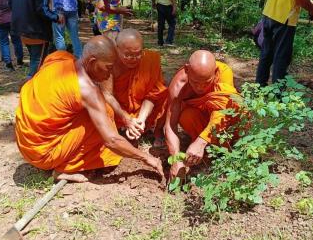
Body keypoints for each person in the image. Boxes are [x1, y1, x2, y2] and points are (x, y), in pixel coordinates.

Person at [15, 35, 163, 183]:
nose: (110, 74)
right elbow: (111, 140)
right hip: (43, 154)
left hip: (26, 142)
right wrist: (148, 158)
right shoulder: (87, 90)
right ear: (92, 61)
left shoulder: (59, 58)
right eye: (108, 68)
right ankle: (66, 168)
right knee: (104, 116)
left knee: (100, 112)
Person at [165, 50, 240, 179]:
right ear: (187, 70)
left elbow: (223, 112)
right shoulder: (179, 86)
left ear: (215, 73)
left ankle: (223, 146)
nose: (200, 88)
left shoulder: (223, 72)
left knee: (238, 108)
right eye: (195, 82)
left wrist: (201, 141)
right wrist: (175, 158)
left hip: (220, 123)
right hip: (202, 120)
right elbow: (170, 126)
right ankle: (208, 150)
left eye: (206, 83)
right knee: (186, 116)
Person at [101, 29, 168, 145]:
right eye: (128, 55)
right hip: (119, 110)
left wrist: (141, 119)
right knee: (102, 104)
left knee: (166, 94)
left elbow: (153, 94)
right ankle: (115, 130)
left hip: (141, 109)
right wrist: (126, 119)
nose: (133, 59)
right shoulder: (110, 62)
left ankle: (155, 129)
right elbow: (107, 95)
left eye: (138, 54)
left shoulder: (150, 60)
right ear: (117, 49)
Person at [9, 0, 63, 80]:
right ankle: (30, 86)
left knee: (34, 57)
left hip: (20, 29)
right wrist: (56, 17)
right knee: (37, 60)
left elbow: (11, 5)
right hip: (37, 31)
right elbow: (42, 10)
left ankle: (36, 84)